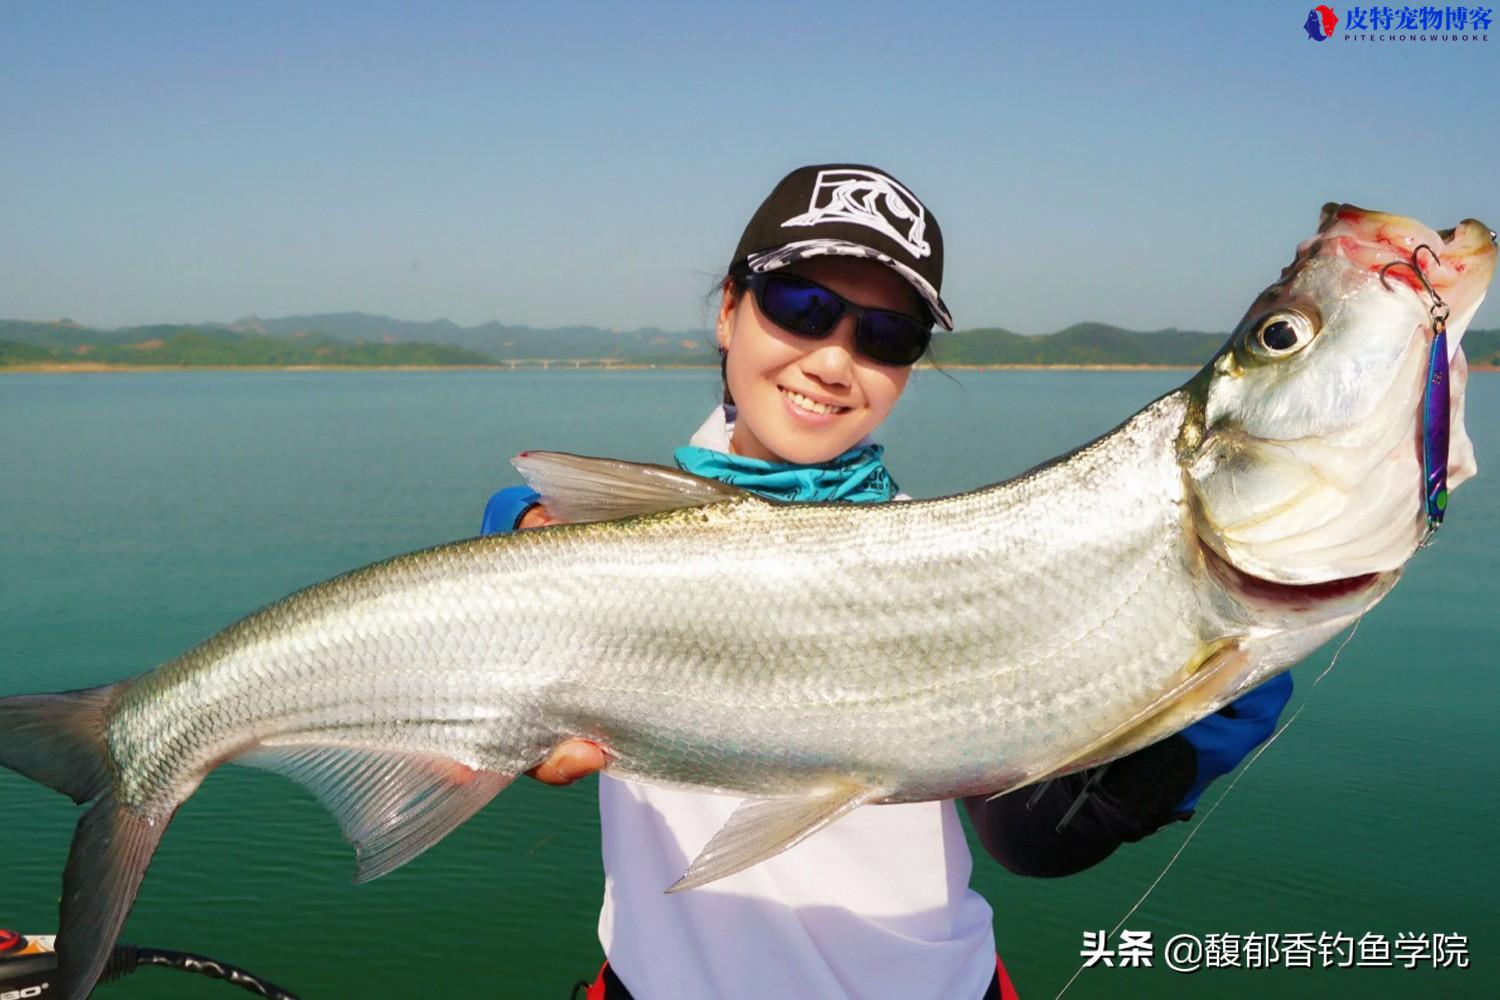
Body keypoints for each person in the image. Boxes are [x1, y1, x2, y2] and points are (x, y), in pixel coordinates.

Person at [481, 164, 1293, 999]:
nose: (835, 359)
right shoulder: (609, 533)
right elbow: (506, 536)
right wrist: (520, 535)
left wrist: (1183, 730)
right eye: (801, 306)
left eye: (886, 336)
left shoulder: (958, 568)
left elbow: (1028, 838)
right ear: (728, 310)